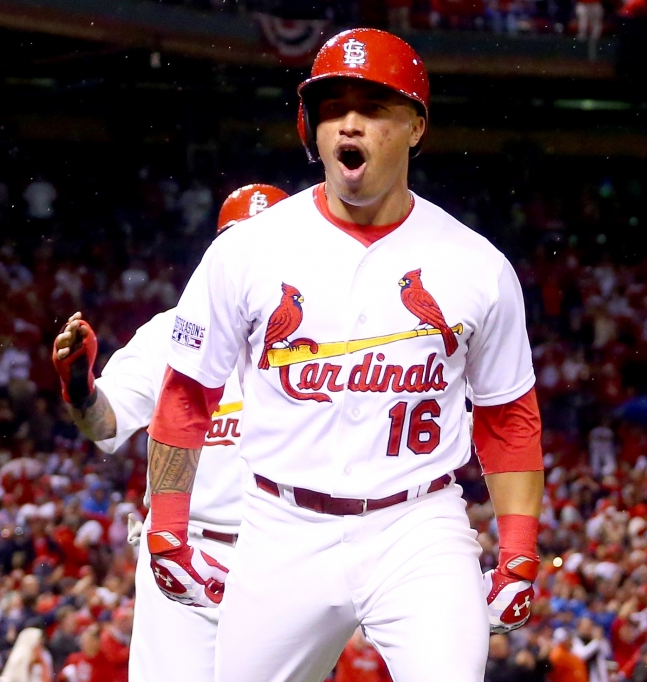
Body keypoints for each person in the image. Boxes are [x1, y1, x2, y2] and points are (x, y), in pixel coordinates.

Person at [143, 28, 543, 682]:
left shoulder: (476, 263)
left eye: (372, 107)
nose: (348, 124)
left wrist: (519, 550)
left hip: (418, 527)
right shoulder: (248, 250)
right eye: (333, 108)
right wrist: (167, 526)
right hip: (279, 526)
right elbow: (187, 394)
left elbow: (508, 418)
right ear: (312, 126)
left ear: (416, 126)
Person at [51, 183, 289, 682]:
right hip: (187, 549)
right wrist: (79, 384)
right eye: (240, 243)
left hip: (286, 556)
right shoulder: (171, 331)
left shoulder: (324, 339)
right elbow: (104, 424)